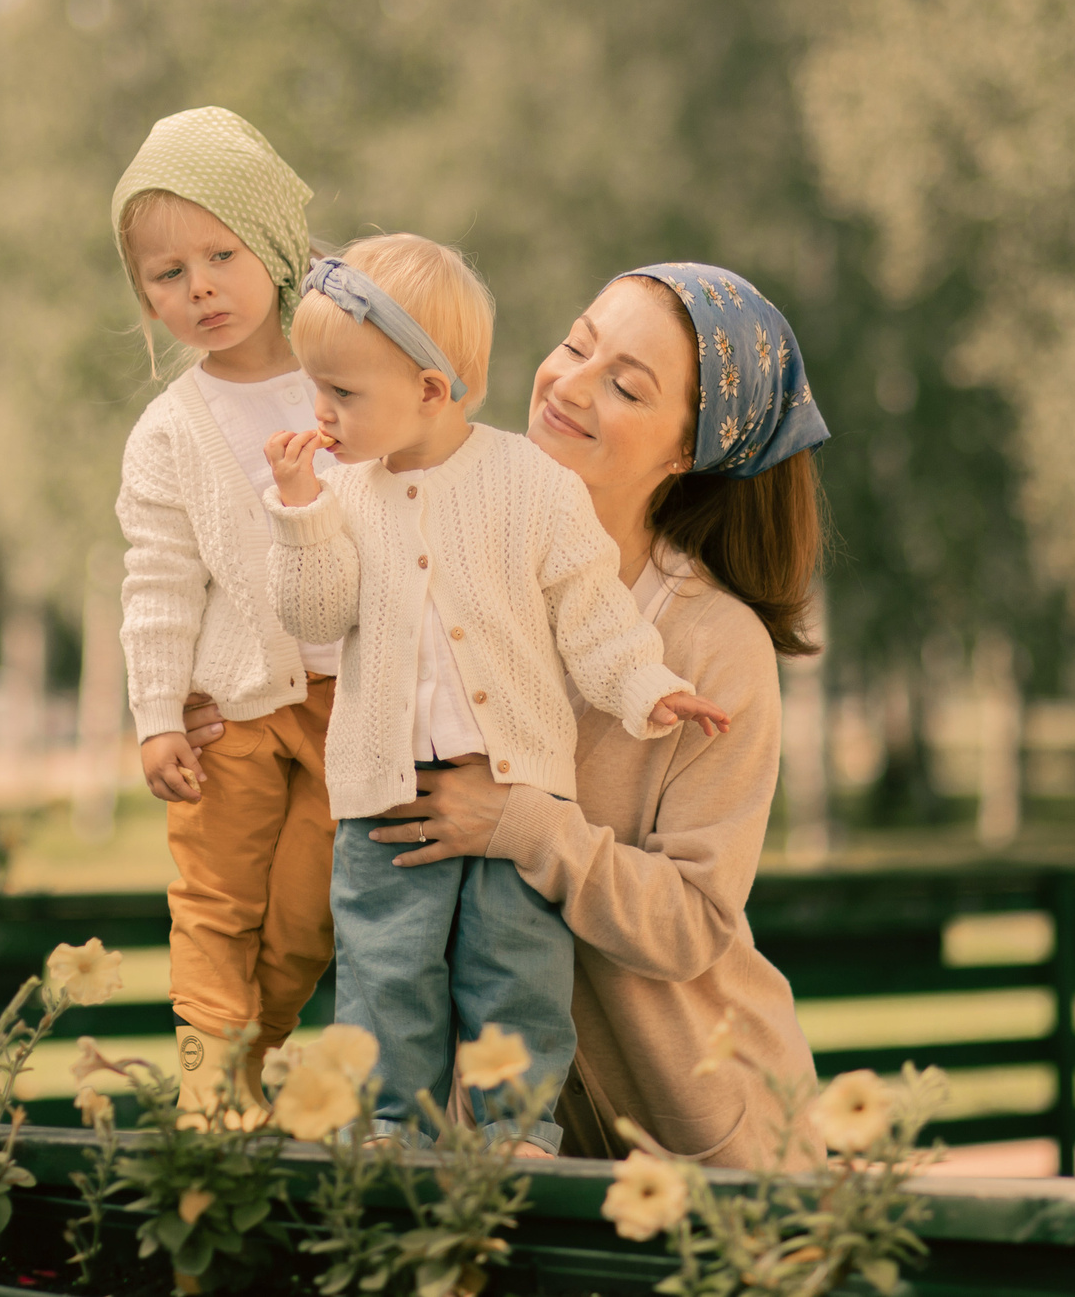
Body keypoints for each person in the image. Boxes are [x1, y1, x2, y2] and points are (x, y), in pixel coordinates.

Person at [259, 234, 727, 1155]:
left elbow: (589, 610)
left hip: (515, 788)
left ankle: (518, 1129)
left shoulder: (532, 486)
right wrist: (302, 511)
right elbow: (314, 614)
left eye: (342, 391)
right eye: (316, 386)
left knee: (515, 971)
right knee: (385, 972)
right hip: (384, 797)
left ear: (430, 390)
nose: (321, 410)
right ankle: (388, 1125)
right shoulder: (341, 494)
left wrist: (647, 685)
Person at [355, 261, 830, 1166]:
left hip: (715, 1153)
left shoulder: (713, 648)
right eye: (577, 345)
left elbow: (694, 920)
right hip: (517, 1152)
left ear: (686, 452)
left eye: (626, 385)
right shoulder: (445, 573)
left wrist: (525, 827)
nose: (570, 385)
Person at [111, 106, 340, 1109]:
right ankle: (208, 1103)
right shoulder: (170, 432)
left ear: (276, 247)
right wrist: (158, 712)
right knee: (214, 906)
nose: (199, 287)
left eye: (221, 255)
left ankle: (249, 1067)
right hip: (231, 712)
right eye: (168, 273)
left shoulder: (346, 379)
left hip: (349, 706)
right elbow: (158, 579)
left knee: (306, 916)